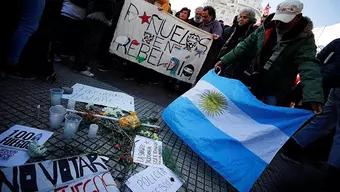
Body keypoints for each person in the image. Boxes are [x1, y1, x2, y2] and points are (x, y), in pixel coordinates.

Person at [215, 0, 323, 112]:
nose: (280, 23)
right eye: (279, 18)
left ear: (298, 17)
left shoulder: (305, 39)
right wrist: (224, 61)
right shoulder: (266, 27)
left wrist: (313, 97)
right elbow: (245, 45)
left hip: (276, 89)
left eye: (286, 19)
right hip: (254, 80)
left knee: (262, 118)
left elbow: (309, 66)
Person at [284, 38, 340, 190]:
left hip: (332, 87)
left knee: (323, 120)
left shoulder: (337, 42)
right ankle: (333, 170)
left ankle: (293, 144)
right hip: (329, 86)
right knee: (328, 124)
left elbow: (319, 59)